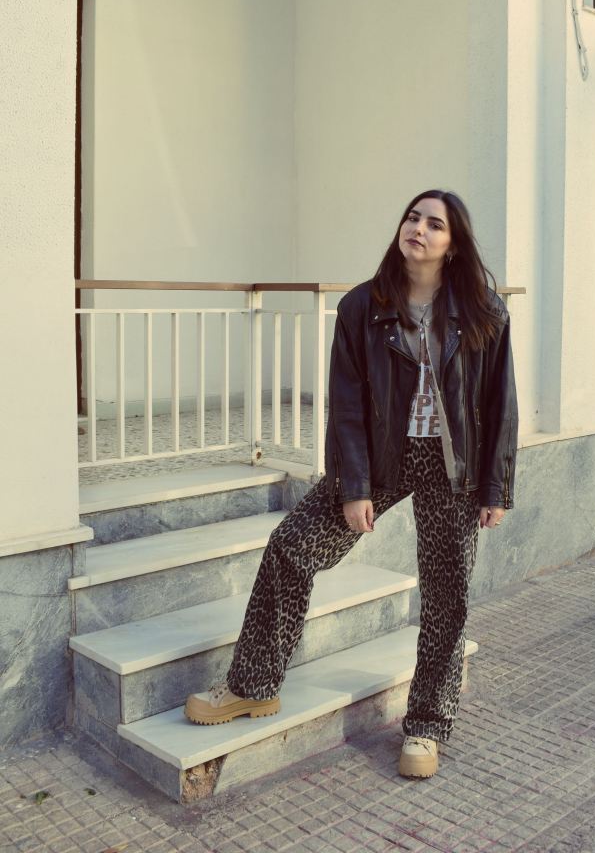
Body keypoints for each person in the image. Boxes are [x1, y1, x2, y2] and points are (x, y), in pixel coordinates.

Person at [185, 189, 518, 780]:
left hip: (454, 466)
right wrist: (354, 486)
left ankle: (426, 723)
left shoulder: (482, 310)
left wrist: (495, 487)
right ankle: (253, 684)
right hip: (383, 457)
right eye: (412, 217)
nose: (418, 228)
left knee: (447, 595)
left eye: (434, 224)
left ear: (453, 244)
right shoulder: (363, 306)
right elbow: (346, 404)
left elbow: (499, 403)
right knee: (291, 546)